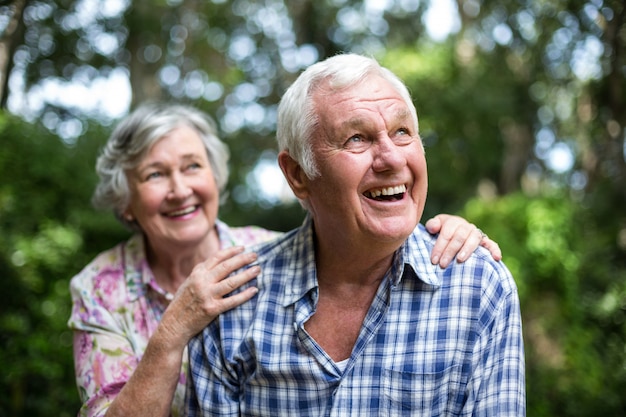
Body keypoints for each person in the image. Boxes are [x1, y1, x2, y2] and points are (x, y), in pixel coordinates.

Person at [67, 103, 503, 417]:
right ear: (126, 201)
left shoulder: (268, 254)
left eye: (193, 167)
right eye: (155, 175)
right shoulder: (101, 288)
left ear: (214, 177)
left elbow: (350, 234)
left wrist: (437, 233)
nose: (180, 189)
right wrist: (175, 326)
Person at [186, 54, 525, 416]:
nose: (392, 159)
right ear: (298, 174)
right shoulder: (233, 302)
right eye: (357, 138)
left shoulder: (479, 287)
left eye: (402, 132)